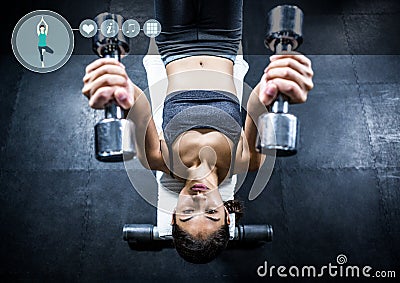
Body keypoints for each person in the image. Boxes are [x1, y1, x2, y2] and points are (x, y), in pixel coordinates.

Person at [82, 0, 314, 263]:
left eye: (188, 214)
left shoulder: (160, 160)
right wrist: (273, 83)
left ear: (173, 215)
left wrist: (121, 87)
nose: (200, 200)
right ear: (228, 215)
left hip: (174, 43)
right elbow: (255, 104)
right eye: (212, 213)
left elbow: (141, 107)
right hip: (223, 41)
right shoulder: (244, 161)